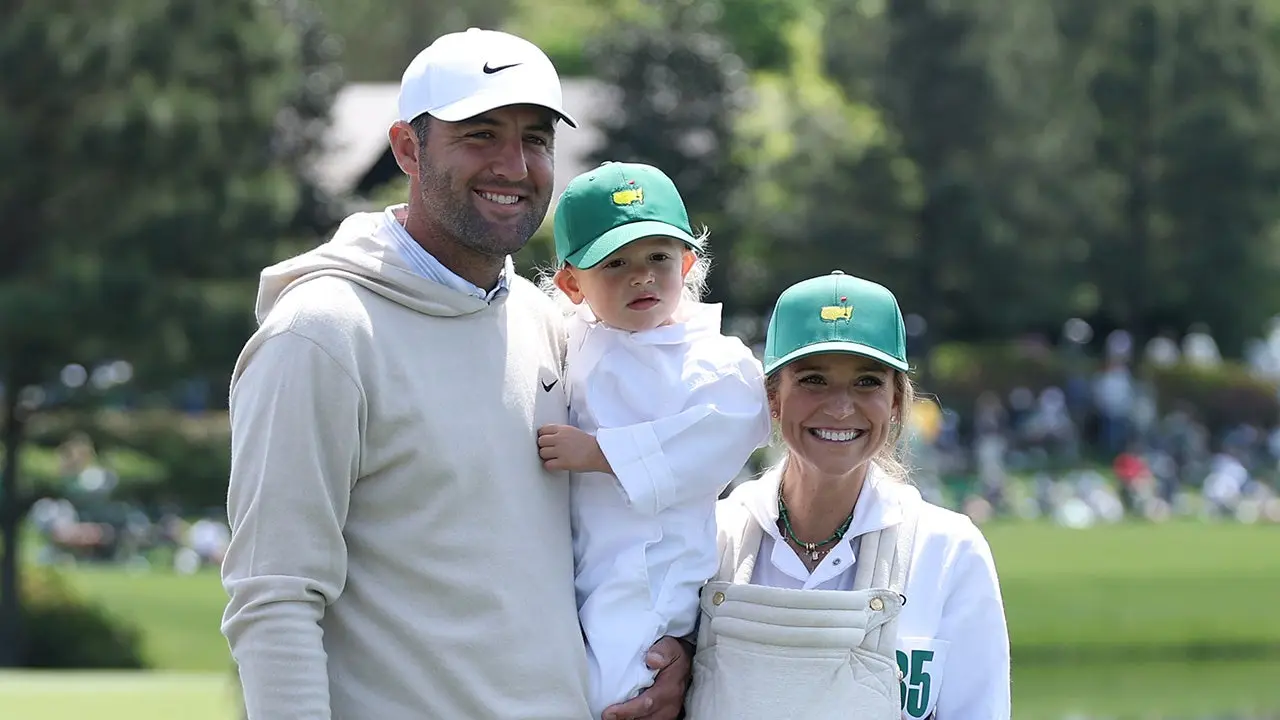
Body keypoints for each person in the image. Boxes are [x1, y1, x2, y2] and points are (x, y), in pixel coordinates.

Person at [220, 28, 690, 720]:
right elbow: (274, 596)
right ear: (408, 148)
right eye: (480, 134)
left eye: (535, 138)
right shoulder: (320, 335)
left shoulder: (549, 324)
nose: (514, 164)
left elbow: (616, 528)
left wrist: (666, 648)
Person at [686, 271, 1012, 719]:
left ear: (897, 402)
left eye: (867, 382)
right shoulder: (711, 534)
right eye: (813, 380)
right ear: (773, 396)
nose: (840, 407)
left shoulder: (948, 550)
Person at [535, 162, 771, 718]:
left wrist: (601, 454)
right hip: (582, 559)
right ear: (572, 284)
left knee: (619, 686)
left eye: (658, 258)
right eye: (615, 263)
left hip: (652, 570)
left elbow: (725, 431)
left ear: (687, 264)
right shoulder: (570, 339)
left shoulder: (716, 361)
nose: (641, 277)